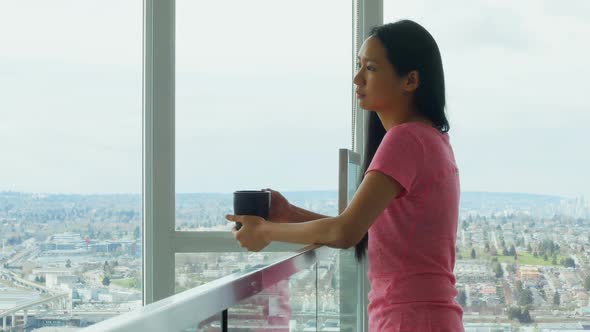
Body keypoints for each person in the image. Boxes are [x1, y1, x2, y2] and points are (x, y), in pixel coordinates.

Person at [226, 19, 464, 332]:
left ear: (410, 80)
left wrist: (266, 231)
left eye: (371, 68)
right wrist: (289, 214)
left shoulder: (406, 139)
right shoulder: (431, 140)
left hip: (410, 320)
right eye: (358, 66)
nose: (357, 78)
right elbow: (366, 230)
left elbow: (345, 232)